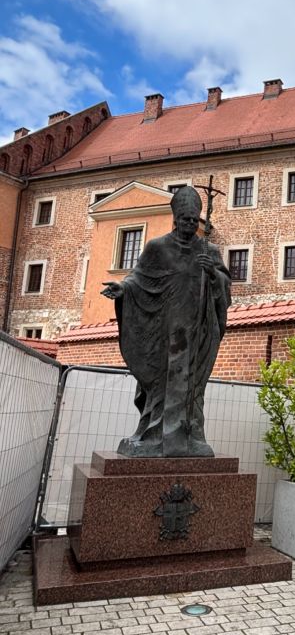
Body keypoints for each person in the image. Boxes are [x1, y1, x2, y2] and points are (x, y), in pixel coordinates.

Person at [101, 185, 231, 457]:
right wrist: (123, 290)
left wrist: (213, 274)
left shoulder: (209, 250)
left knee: (192, 387)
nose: (190, 224)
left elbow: (224, 288)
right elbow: (138, 278)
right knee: (161, 383)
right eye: (185, 219)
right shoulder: (157, 247)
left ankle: (191, 437)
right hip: (162, 329)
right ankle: (153, 436)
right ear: (176, 218)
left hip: (196, 331)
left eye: (194, 220)